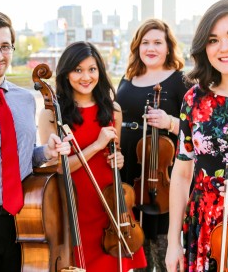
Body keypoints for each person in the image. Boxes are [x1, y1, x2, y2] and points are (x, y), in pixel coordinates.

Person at [0, 11, 72, 272]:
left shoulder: (23, 99)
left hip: (23, 223)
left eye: (5, 47)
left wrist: (47, 151)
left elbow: (19, 156)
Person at [165, 0, 228, 272]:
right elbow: (182, 174)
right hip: (206, 230)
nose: (224, 48)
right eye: (213, 39)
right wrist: (174, 241)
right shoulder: (194, 99)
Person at [38, 41, 147, 272]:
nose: (86, 76)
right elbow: (58, 168)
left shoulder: (113, 110)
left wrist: (119, 159)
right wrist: (97, 145)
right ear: (66, 73)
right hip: (74, 205)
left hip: (109, 204)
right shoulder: (51, 113)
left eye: (92, 69)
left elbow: (114, 156)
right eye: (78, 70)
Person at [116, 18, 188, 272]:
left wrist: (170, 122)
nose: (151, 48)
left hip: (161, 174)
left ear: (169, 47)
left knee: (160, 243)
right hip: (128, 167)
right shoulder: (128, 78)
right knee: (134, 239)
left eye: (158, 42)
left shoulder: (180, 80)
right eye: (145, 42)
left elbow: (198, 129)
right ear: (137, 47)